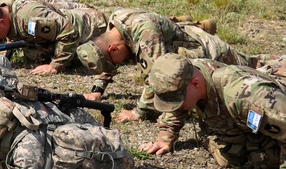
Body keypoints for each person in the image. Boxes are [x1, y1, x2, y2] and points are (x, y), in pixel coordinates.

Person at [139, 54, 286, 169]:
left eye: (177, 101)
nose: (175, 106)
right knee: (228, 155)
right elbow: (177, 100)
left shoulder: (246, 97)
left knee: (265, 159)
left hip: (276, 103)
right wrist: (166, 135)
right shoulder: (188, 71)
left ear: (195, 83)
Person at [75, 8, 264, 123]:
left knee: (257, 68)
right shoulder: (116, 24)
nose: (118, 65)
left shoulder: (144, 32)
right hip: (180, 40)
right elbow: (107, 60)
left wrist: (139, 111)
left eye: (115, 63)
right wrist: (97, 89)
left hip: (207, 51)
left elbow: (158, 74)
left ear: (113, 48)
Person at [0, 0, 107, 74]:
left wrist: (55, 66)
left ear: (1, 22)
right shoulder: (1, 6)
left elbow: (69, 31)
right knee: (32, 54)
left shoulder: (29, 19)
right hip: (63, 23)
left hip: (92, 28)